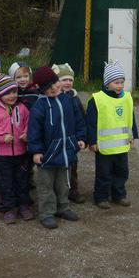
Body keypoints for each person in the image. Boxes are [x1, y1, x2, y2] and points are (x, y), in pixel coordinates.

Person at [27, 66, 87, 229]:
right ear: (41, 89)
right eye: (48, 87)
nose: (53, 88)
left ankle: (63, 207)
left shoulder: (69, 100)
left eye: (54, 83)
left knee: (64, 183)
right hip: (47, 154)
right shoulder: (40, 106)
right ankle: (46, 213)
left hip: (66, 150)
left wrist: (81, 138)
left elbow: (79, 120)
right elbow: (34, 131)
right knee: (46, 185)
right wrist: (37, 150)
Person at [86, 61, 138, 209]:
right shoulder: (97, 99)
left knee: (122, 172)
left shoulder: (127, 98)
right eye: (116, 82)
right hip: (104, 147)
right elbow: (91, 122)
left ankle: (119, 195)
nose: (120, 86)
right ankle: (101, 197)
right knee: (104, 173)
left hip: (121, 146)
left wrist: (132, 135)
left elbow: (130, 118)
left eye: (122, 82)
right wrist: (92, 141)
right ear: (107, 83)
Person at [0, 75, 33, 224]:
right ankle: (8, 208)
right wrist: (1, 137)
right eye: (8, 93)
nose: (12, 96)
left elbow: (30, 123)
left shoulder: (22, 108)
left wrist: (26, 133)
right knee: (6, 182)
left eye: (14, 92)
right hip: (2, 156)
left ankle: (24, 206)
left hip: (21, 152)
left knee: (22, 181)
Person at [52, 63, 86, 204]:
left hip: (71, 141)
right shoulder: (51, 98)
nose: (67, 83)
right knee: (55, 169)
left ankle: (73, 191)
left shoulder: (74, 98)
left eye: (70, 80)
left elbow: (81, 120)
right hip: (56, 141)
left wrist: (82, 137)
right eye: (63, 79)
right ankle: (56, 193)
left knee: (72, 167)